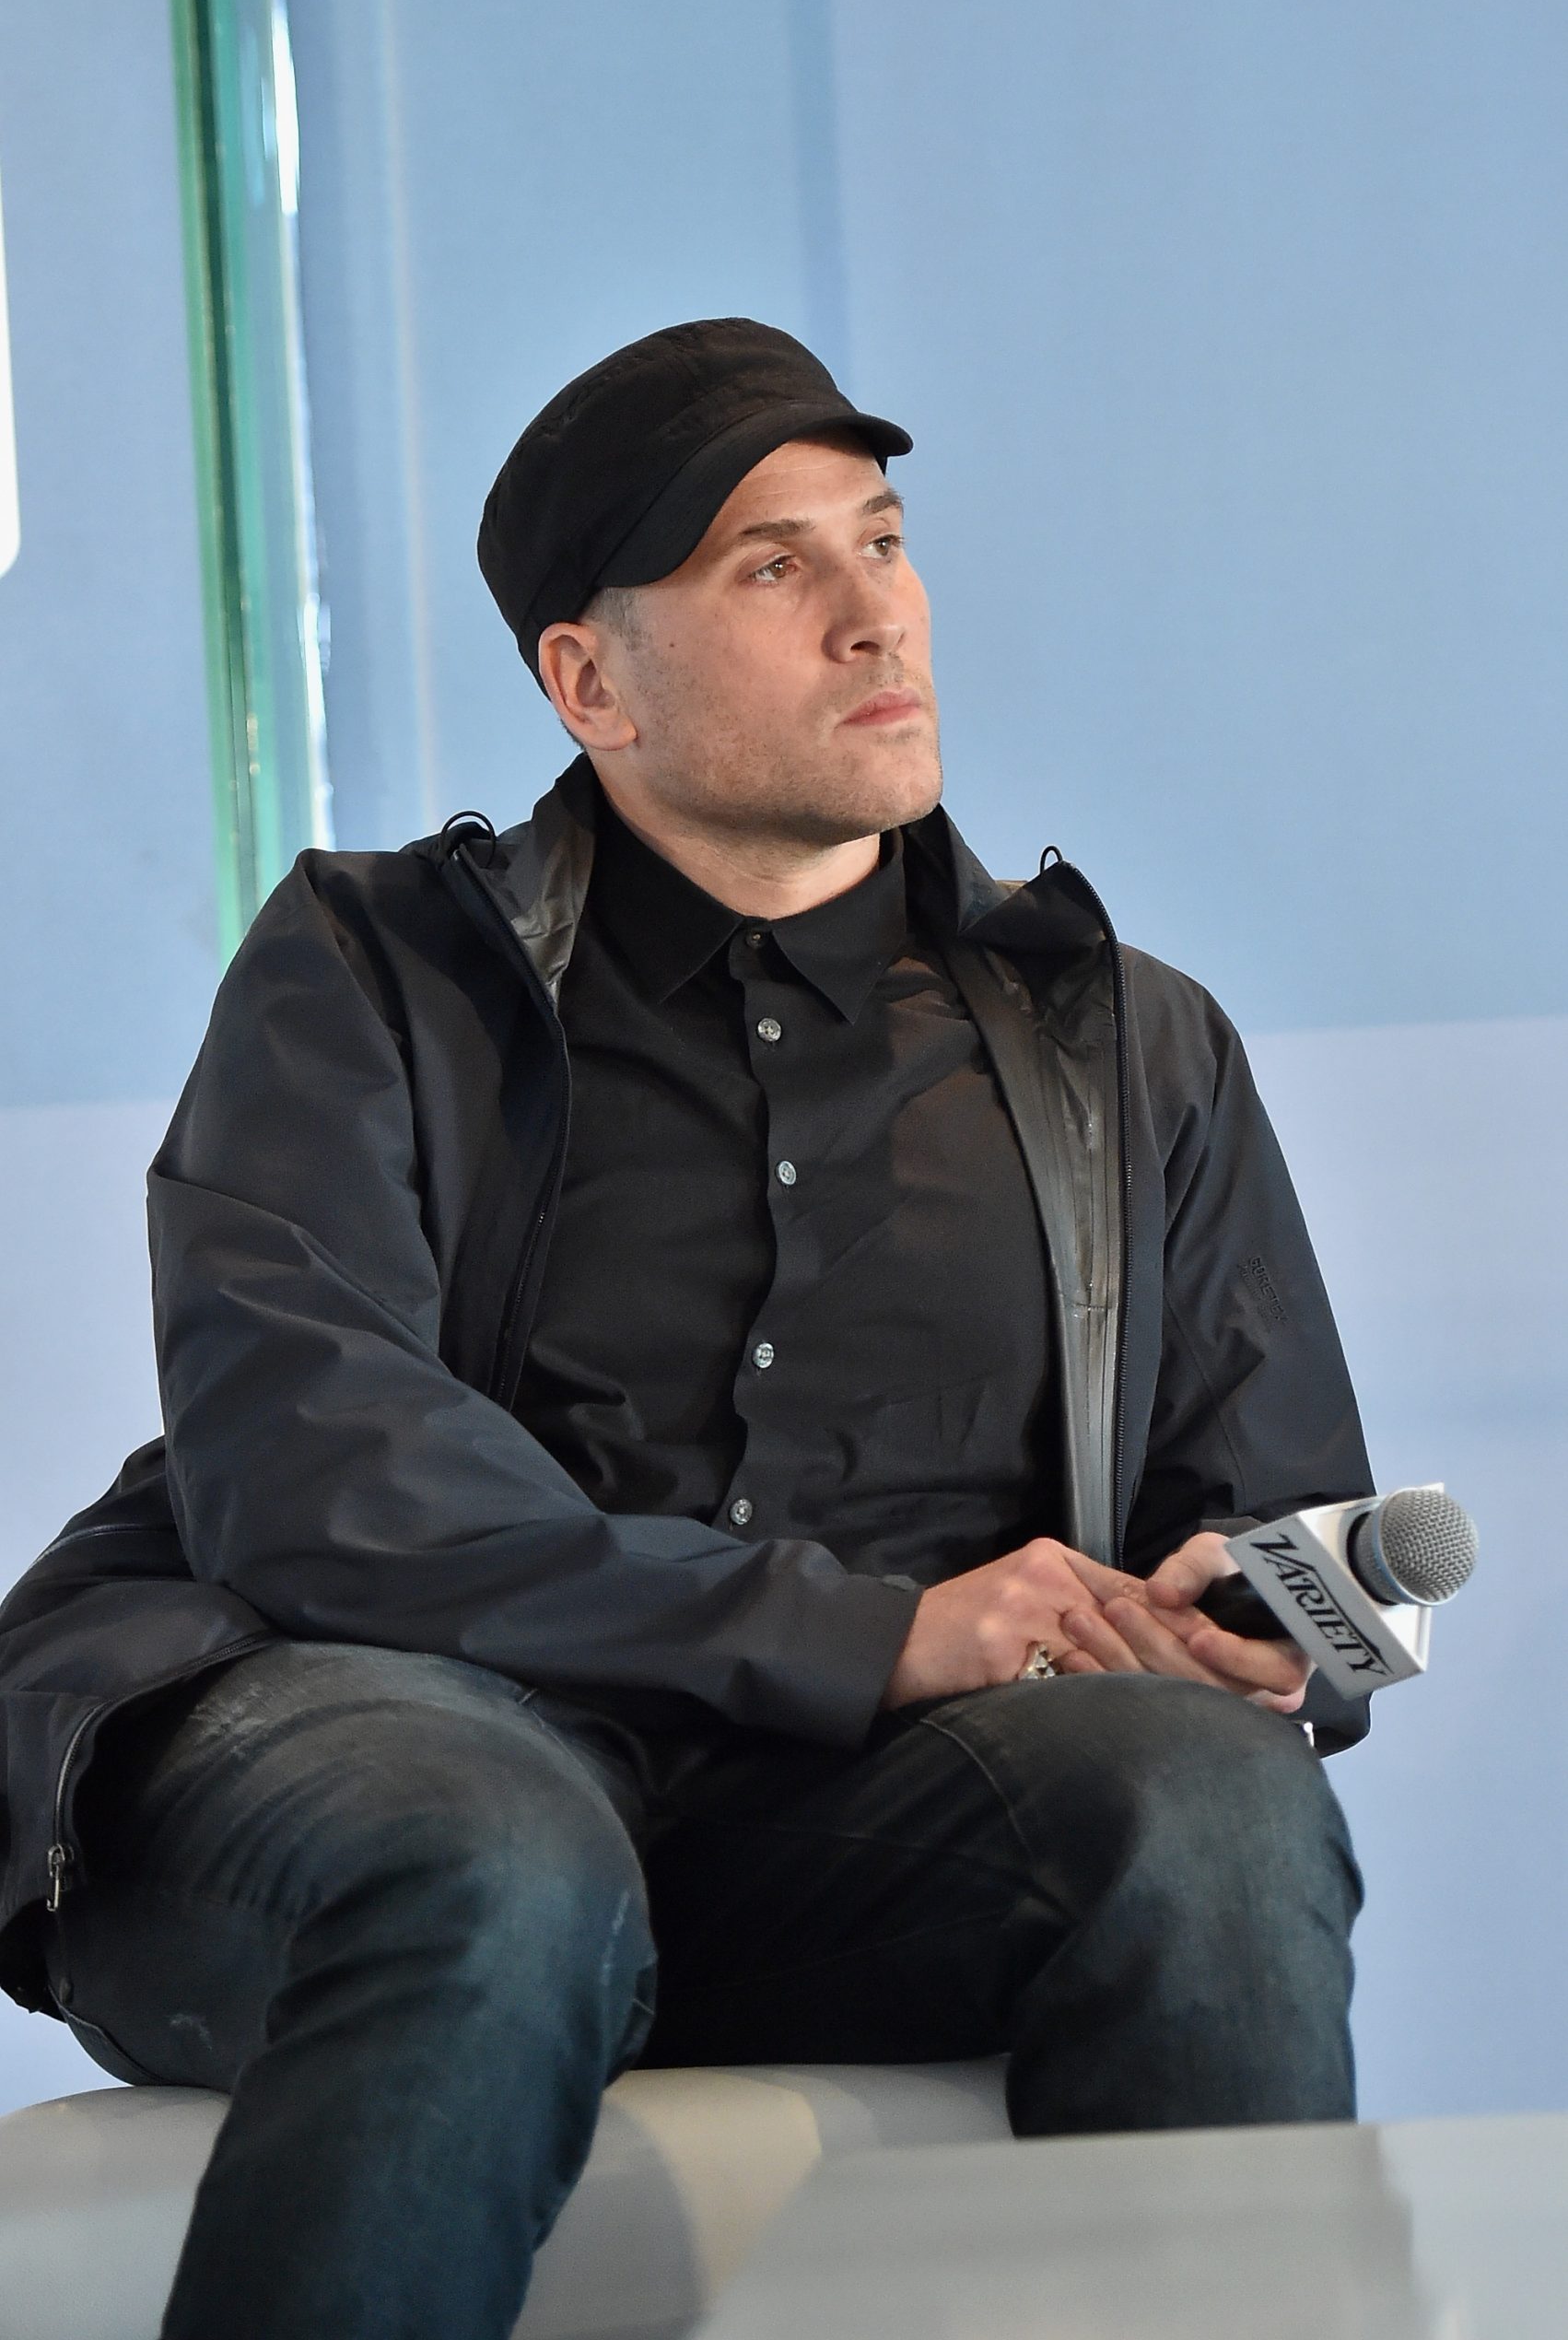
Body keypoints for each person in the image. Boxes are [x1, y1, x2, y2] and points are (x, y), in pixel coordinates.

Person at [0, 318, 1371, 2340]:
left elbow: (1268, 1513)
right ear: (589, 683)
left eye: (880, 540)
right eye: (769, 566)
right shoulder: (367, 970)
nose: (870, 613)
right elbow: (315, 1478)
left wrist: (1255, 1630)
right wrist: (869, 1631)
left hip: (833, 1840)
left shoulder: (1125, 1045)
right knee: (495, 1848)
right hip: (373, 1748)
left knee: (1212, 1808)